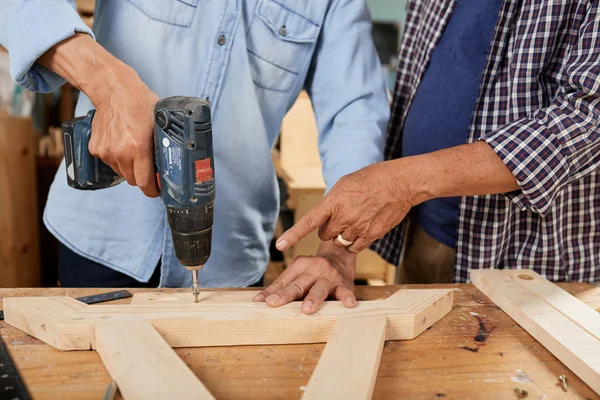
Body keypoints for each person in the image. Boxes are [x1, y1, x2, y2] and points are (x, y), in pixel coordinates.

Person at [0, 1, 388, 304]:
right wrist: (109, 85)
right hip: (103, 236)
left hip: (230, 256)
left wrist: (340, 245)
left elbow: (356, 108)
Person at [258, 0, 600, 309]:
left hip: (532, 259)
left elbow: (587, 119)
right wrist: (340, 245)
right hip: (421, 231)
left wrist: (403, 182)